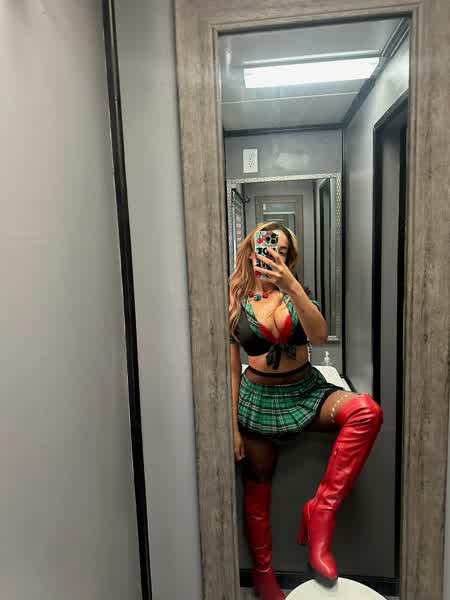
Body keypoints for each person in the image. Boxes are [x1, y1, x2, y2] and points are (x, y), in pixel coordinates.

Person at [229, 221, 383, 600]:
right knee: (257, 490)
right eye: (267, 248)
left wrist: (291, 287)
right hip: (257, 401)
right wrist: (231, 427)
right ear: (251, 251)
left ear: (289, 258)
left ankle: (321, 512)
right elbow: (231, 370)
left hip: (306, 390)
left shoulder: (298, 292)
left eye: (281, 251)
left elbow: (319, 336)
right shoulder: (233, 300)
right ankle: (264, 576)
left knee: (366, 411)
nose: (273, 256)